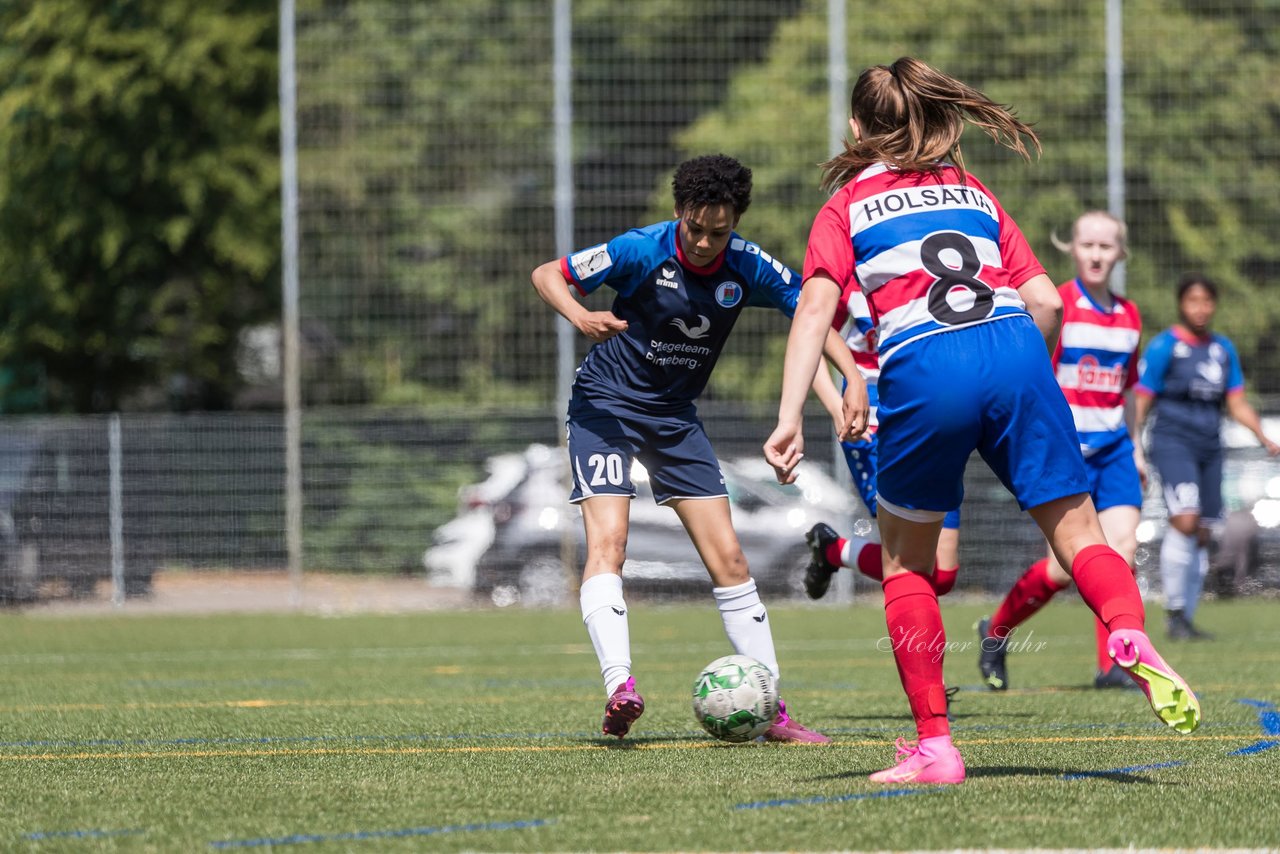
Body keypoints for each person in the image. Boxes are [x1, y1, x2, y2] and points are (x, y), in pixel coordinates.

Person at [764, 57, 1201, 785]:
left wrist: (788, 418)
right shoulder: (972, 190)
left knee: (909, 563)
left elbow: (814, 308)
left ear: (855, 127)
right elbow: (1050, 304)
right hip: (1016, 351)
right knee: (1082, 536)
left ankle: (936, 746)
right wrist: (1024, 376)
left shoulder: (847, 205)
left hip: (926, 368)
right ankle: (1126, 630)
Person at [531, 154, 859, 743]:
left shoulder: (748, 265)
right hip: (605, 408)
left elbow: (812, 312)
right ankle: (620, 687)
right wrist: (581, 314)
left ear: (736, 223)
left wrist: (849, 380)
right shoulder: (640, 249)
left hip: (676, 421)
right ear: (679, 213)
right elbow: (546, 274)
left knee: (731, 560)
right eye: (696, 228)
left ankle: (771, 710)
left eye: (720, 231)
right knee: (610, 543)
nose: (706, 242)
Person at [977, 211, 1146, 691]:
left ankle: (1115, 662)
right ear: (1071, 248)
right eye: (1087, 244)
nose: (1096, 253)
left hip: (1113, 450)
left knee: (1121, 549)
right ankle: (996, 632)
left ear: (1120, 254)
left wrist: (1135, 447)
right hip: (1067, 449)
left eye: (1106, 246)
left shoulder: (1129, 316)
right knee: (1061, 569)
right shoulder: (1057, 304)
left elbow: (1128, 389)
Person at [1134, 273, 1280, 638]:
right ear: (1181, 304)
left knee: (1203, 531)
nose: (1200, 308)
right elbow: (1143, 397)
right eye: (1193, 301)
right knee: (1184, 519)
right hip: (1172, 442)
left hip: (1209, 446)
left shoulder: (1221, 349)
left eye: (1207, 301)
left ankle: (1186, 619)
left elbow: (1236, 401)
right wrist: (1133, 440)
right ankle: (1174, 611)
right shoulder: (1165, 346)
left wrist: (1263, 434)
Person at [802, 287, 962, 601]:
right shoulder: (848, 274)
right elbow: (809, 336)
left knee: (943, 576)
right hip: (873, 429)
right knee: (906, 561)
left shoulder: (939, 261)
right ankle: (915, 645)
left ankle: (833, 550)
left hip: (932, 427)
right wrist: (838, 408)